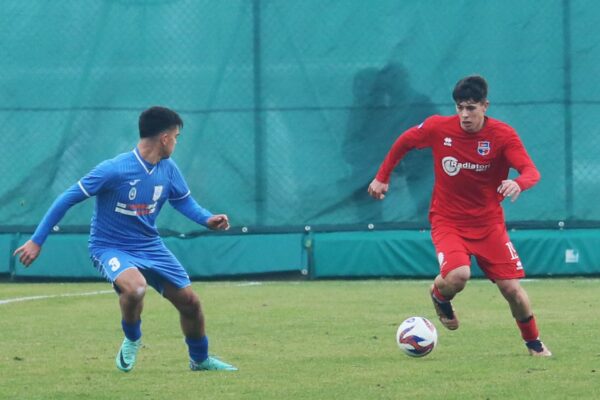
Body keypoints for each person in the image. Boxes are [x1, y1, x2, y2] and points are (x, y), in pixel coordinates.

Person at [13, 106, 238, 371]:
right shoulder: (115, 169)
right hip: (110, 246)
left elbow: (184, 202)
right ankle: (132, 338)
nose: (176, 142)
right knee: (135, 287)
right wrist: (37, 240)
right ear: (165, 137)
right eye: (176, 136)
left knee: (190, 303)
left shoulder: (168, 169)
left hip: (150, 245)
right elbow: (67, 198)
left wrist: (206, 219)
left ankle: (200, 360)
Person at [368, 76, 552, 356]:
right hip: (448, 220)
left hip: (489, 224)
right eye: (460, 108)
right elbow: (404, 141)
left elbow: (531, 172)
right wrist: (382, 177)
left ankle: (534, 344)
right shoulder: (438, 128)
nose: (464, 115)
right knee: (458, 276)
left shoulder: (502, 136)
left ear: (485, 106)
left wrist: (518, 183)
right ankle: (439, 296)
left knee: (512, 290)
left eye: (471, 108)